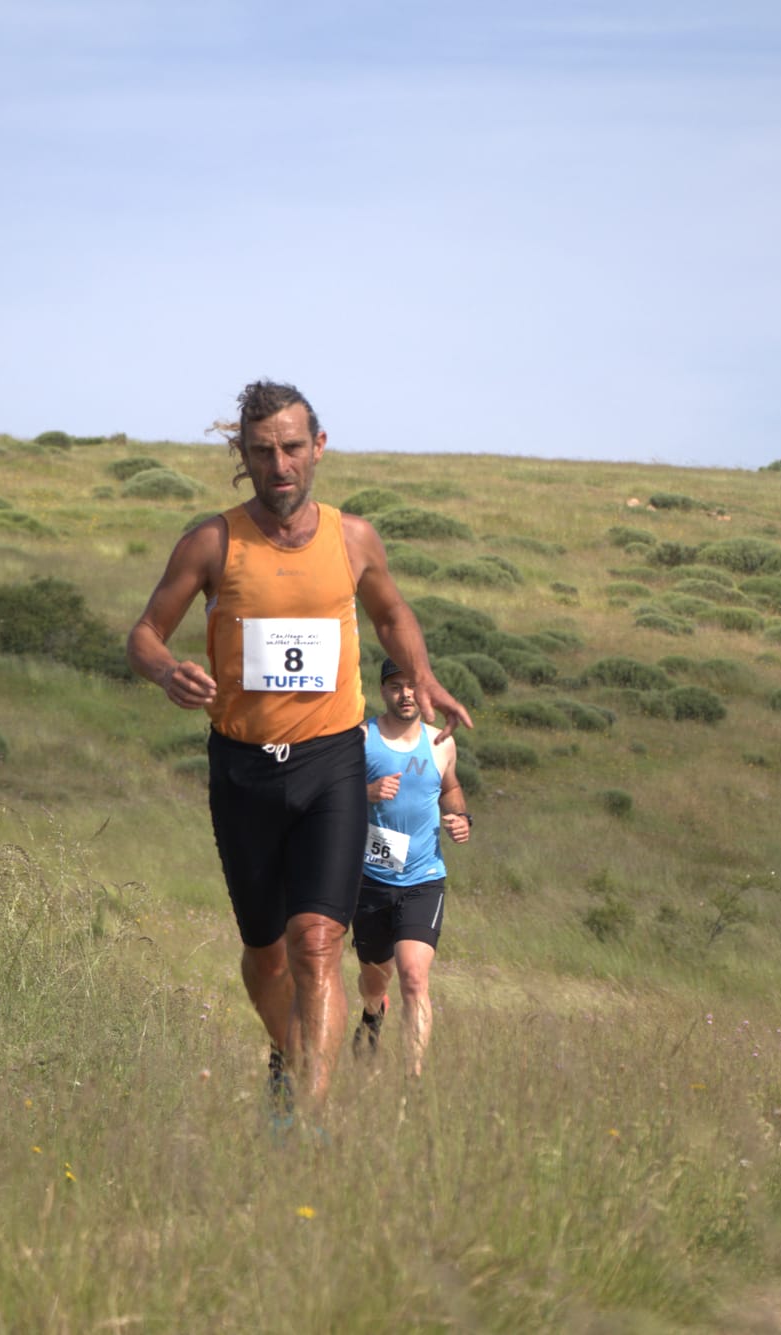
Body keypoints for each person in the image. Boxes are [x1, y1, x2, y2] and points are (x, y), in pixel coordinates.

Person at [127, 380, 471, 1115]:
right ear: (242, 456)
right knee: (265, 955)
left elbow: (390, 610)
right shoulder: (212, 542)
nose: (278, 464)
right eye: (261, 451)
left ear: (318, 447)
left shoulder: (352, 538)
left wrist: (422, 673)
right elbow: (145, 632)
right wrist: (165, 670)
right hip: (244, 769)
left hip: (332, 761)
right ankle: (285, 1051)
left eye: (291, 447)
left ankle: (306, 1121)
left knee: (317, 942)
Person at [352, 657, 470, 1077]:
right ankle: (371, 1014)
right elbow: (330, 795)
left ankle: (412, 1077)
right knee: (374, 980)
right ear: (382, 691)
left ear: (426, 692)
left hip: (424, 879)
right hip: (370, 879)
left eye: (412, 686)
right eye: (395, 686)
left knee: (414, 979)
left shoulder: (441, 742)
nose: (405, 695)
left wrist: (460, 818)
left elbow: (451, 787)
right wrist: (366, 791)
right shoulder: (362, 738)